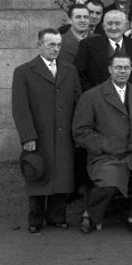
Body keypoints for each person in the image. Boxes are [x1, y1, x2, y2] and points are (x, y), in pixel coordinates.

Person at [72, 53, 132, 236]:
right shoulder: (92, 96)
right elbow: (81, 132)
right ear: (110, 70)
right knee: (110, 182)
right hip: (105, 155)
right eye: (118, 67)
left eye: (126, 68)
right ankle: (90, 214)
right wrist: (108, 145)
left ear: (131, 70)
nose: (122, 71)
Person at [12, 28, 81, 233]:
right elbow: (20, 107)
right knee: (37, 173)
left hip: (64, 134)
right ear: (39, 45)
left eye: (59, 45)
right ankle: (36, 218)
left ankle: (57, 216)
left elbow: (78, 101)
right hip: (38, 134)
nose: (56, 49)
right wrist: (28, 136)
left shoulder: (69, 70)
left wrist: (77, 131)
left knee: (61, 174)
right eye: (51, 44)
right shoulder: (24, 71)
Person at [74, 9, 132, 91]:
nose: (113, 27)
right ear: (103, 26)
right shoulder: (88, 45)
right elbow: (78, 76)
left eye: (118, 23)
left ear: (126, 26)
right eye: (109, 23)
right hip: (97, 98)